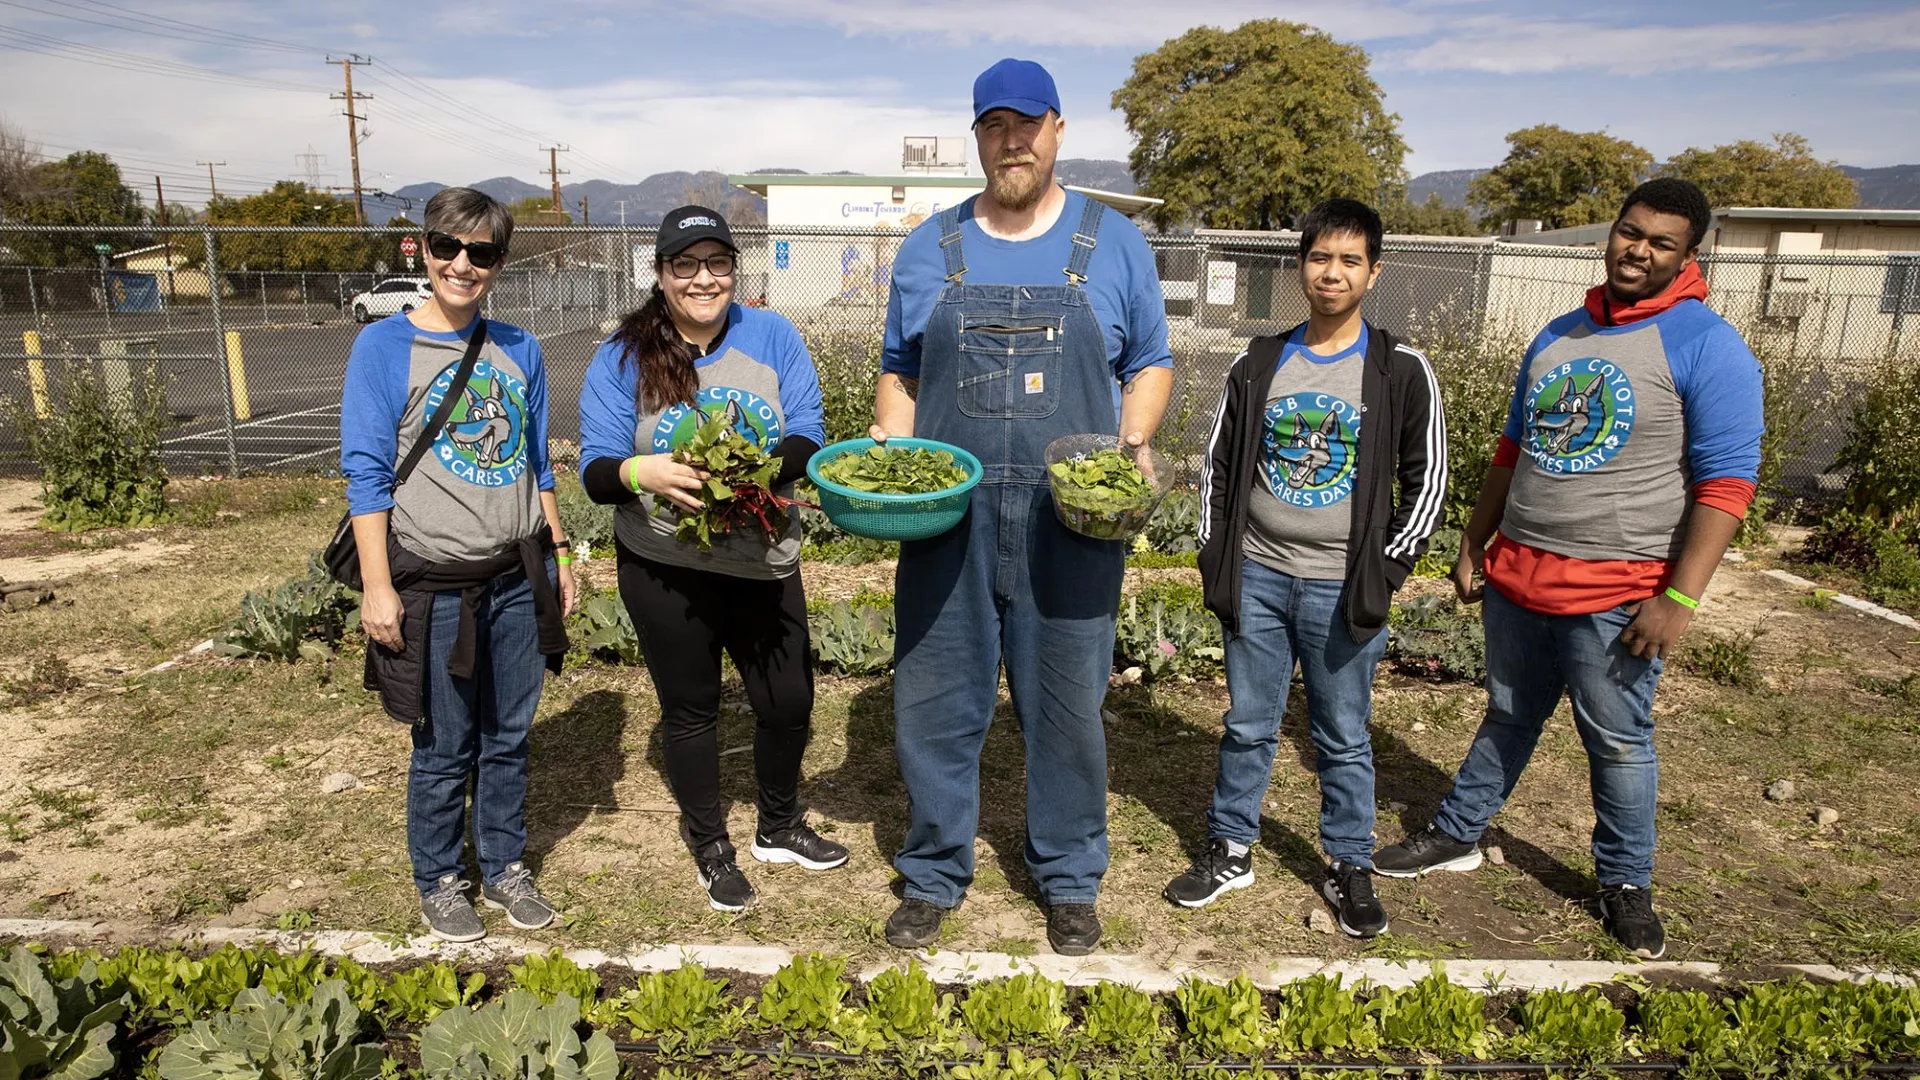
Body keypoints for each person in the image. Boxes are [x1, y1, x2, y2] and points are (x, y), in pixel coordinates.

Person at [1373, 178, 1764, 959]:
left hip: (1618, 592)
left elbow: (1728, 483)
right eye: (1630, 232)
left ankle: (1624, 883)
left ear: (1691, 255)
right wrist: (1473, 540)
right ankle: (1458, 833)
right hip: (1519, 576)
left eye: (1660, 242)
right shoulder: (1559, 334)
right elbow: (1514, 450)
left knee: (1618, 742)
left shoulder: (1706, 346)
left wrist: (1680, 595)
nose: (1638, 250)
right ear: (1610, 233)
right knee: (1510, 713)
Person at [871, 59, 1174, 956]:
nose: (1014, 141)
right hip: (950, 516)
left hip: (1069, 518)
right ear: (977, 137)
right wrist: (895, 451)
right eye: (995, 126)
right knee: (935, 698)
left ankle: (1070, 876)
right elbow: (902, 370)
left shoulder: (1111, 241)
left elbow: (1149, 360)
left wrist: (1131, 443)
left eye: (1028, 124)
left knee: (1068, 703)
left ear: (1057, 131)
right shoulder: (931, 245)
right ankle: (933, 873)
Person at [1168, 199, 1446, 937]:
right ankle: (1232, 847)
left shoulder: (1400, 369)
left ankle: (1348, 863)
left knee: (1343, 733)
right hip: (1258, 574)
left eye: (1350, 260)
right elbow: (1218, 468)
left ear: (1374, 271)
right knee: (1249, 724)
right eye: (1321, 257)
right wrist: (1213, 556)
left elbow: (1428, 481)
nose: (1333, 272)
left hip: (1341, 584)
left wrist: (1384, 572)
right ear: (1301, 266)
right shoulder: (1260, 361)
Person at [578, 206, 847, 913]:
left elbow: (808, 435)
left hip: (763, 557)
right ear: (661, 276)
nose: (703, 279)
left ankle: (780, 826)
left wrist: (757, 472)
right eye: (686, 265)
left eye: (716, 263)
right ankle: (710, 846)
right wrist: (648, 474)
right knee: (690, 710)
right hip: (664, 562)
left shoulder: (773, 334)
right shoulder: (623, 355)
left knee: (787, 702)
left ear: (734, 269)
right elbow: (598, 469)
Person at [341, 186, 576, 942]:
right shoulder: (384, 347)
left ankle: (503, 864)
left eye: (480, 253)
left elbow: (537, 462)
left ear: (500, 262)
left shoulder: (521, 347)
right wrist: (378, 587)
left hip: (514, 579)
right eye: (448, 247)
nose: (461, 264)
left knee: (509, 735)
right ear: (425, 248)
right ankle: (439, 878)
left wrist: (559, 553)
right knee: (444, 745)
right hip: (433, 589)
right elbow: (367, 475)